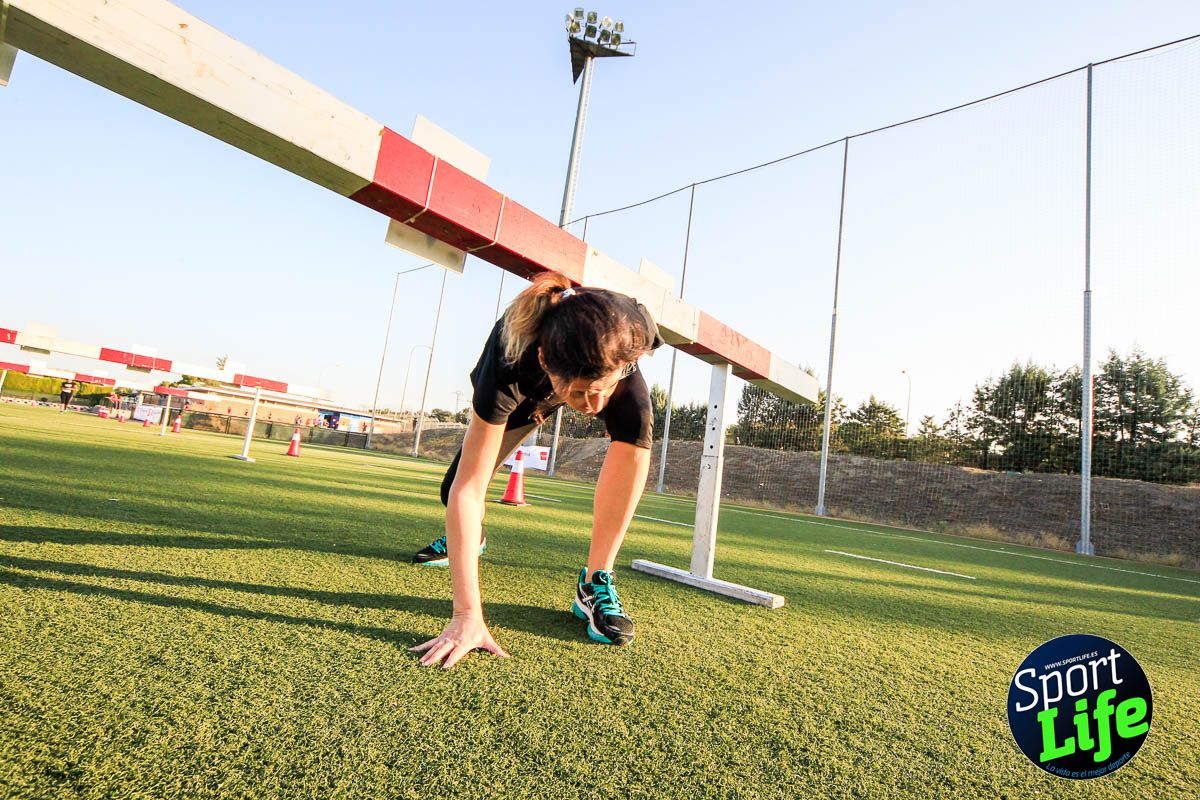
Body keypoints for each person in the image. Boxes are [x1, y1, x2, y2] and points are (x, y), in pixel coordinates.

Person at [409, 272, 663, 669]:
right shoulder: (509, 360)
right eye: (580, 394)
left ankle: (595, 582)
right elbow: (468, 491)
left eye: (601, 391)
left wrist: (601, 385)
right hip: (530, 391)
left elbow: (604, 386)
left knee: (637, 428)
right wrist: (466, 617)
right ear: (546, 361)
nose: (592, 407)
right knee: (453, 490)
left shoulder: (634, 330)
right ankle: (471, 538)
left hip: (606, 360)